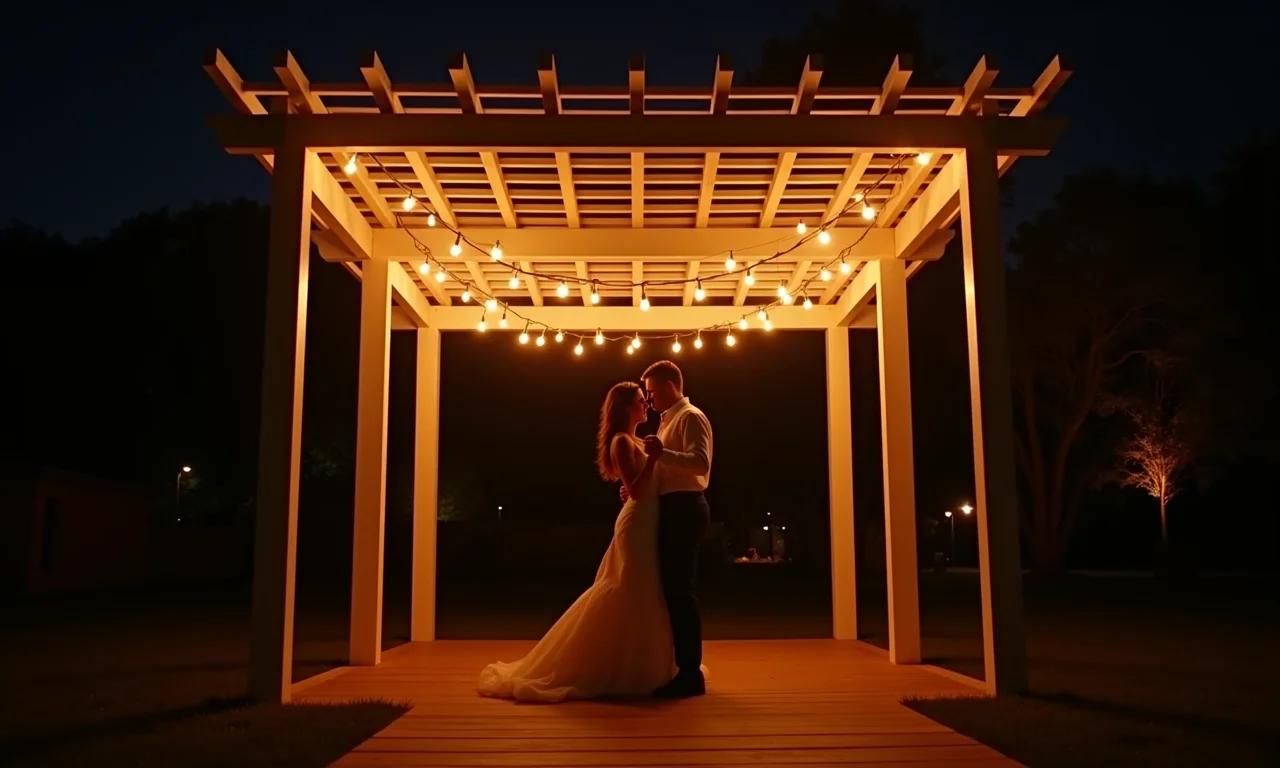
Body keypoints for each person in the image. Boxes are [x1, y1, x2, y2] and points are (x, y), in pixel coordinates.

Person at [477, 381, 675, 702]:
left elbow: (638, 486)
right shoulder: (621, 442)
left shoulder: (638, 441)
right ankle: (598, 665)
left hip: (648, 520)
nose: (646, 405)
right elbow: (637, 490)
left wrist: (649, 461)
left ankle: (641, 665)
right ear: (624, 407)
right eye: (640, 400)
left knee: (645, 589)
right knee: (625, 586)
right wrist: (652, 460)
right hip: (636, 522)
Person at [627, 360, 713, 698]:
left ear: (668, 386)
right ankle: (682, 668)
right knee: (673, 590)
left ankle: (691, 674)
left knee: (681, 590)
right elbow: (666, 469)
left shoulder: (691, 417)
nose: (648, 400)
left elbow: (701, 463)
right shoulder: (668, 421)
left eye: (650, 392)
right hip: (672, 507)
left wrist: (663, 453)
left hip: (686, 507)